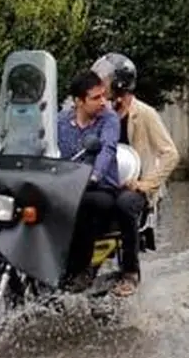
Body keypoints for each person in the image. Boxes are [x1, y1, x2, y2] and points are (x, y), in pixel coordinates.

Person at [91, 52, 179, 297]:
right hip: (107, 184)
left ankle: (130, 272)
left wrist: (146, 184)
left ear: (120, 83)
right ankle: (83, 269)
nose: (101, 86)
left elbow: (171, 154)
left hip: (136, 187)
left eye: (105, 81)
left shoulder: (146, 114)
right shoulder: (101, 114)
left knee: (124, 205)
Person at [57, 69, 121, 292]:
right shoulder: (60, 122)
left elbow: (108, 148)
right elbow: (42, 146)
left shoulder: (109, 119)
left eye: (103, 96)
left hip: (100, 187)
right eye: (96, 98)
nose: (103, 102)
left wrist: (93, 175)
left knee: (86, 205)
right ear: (78, 101)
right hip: (66, 187)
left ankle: (81, 269)